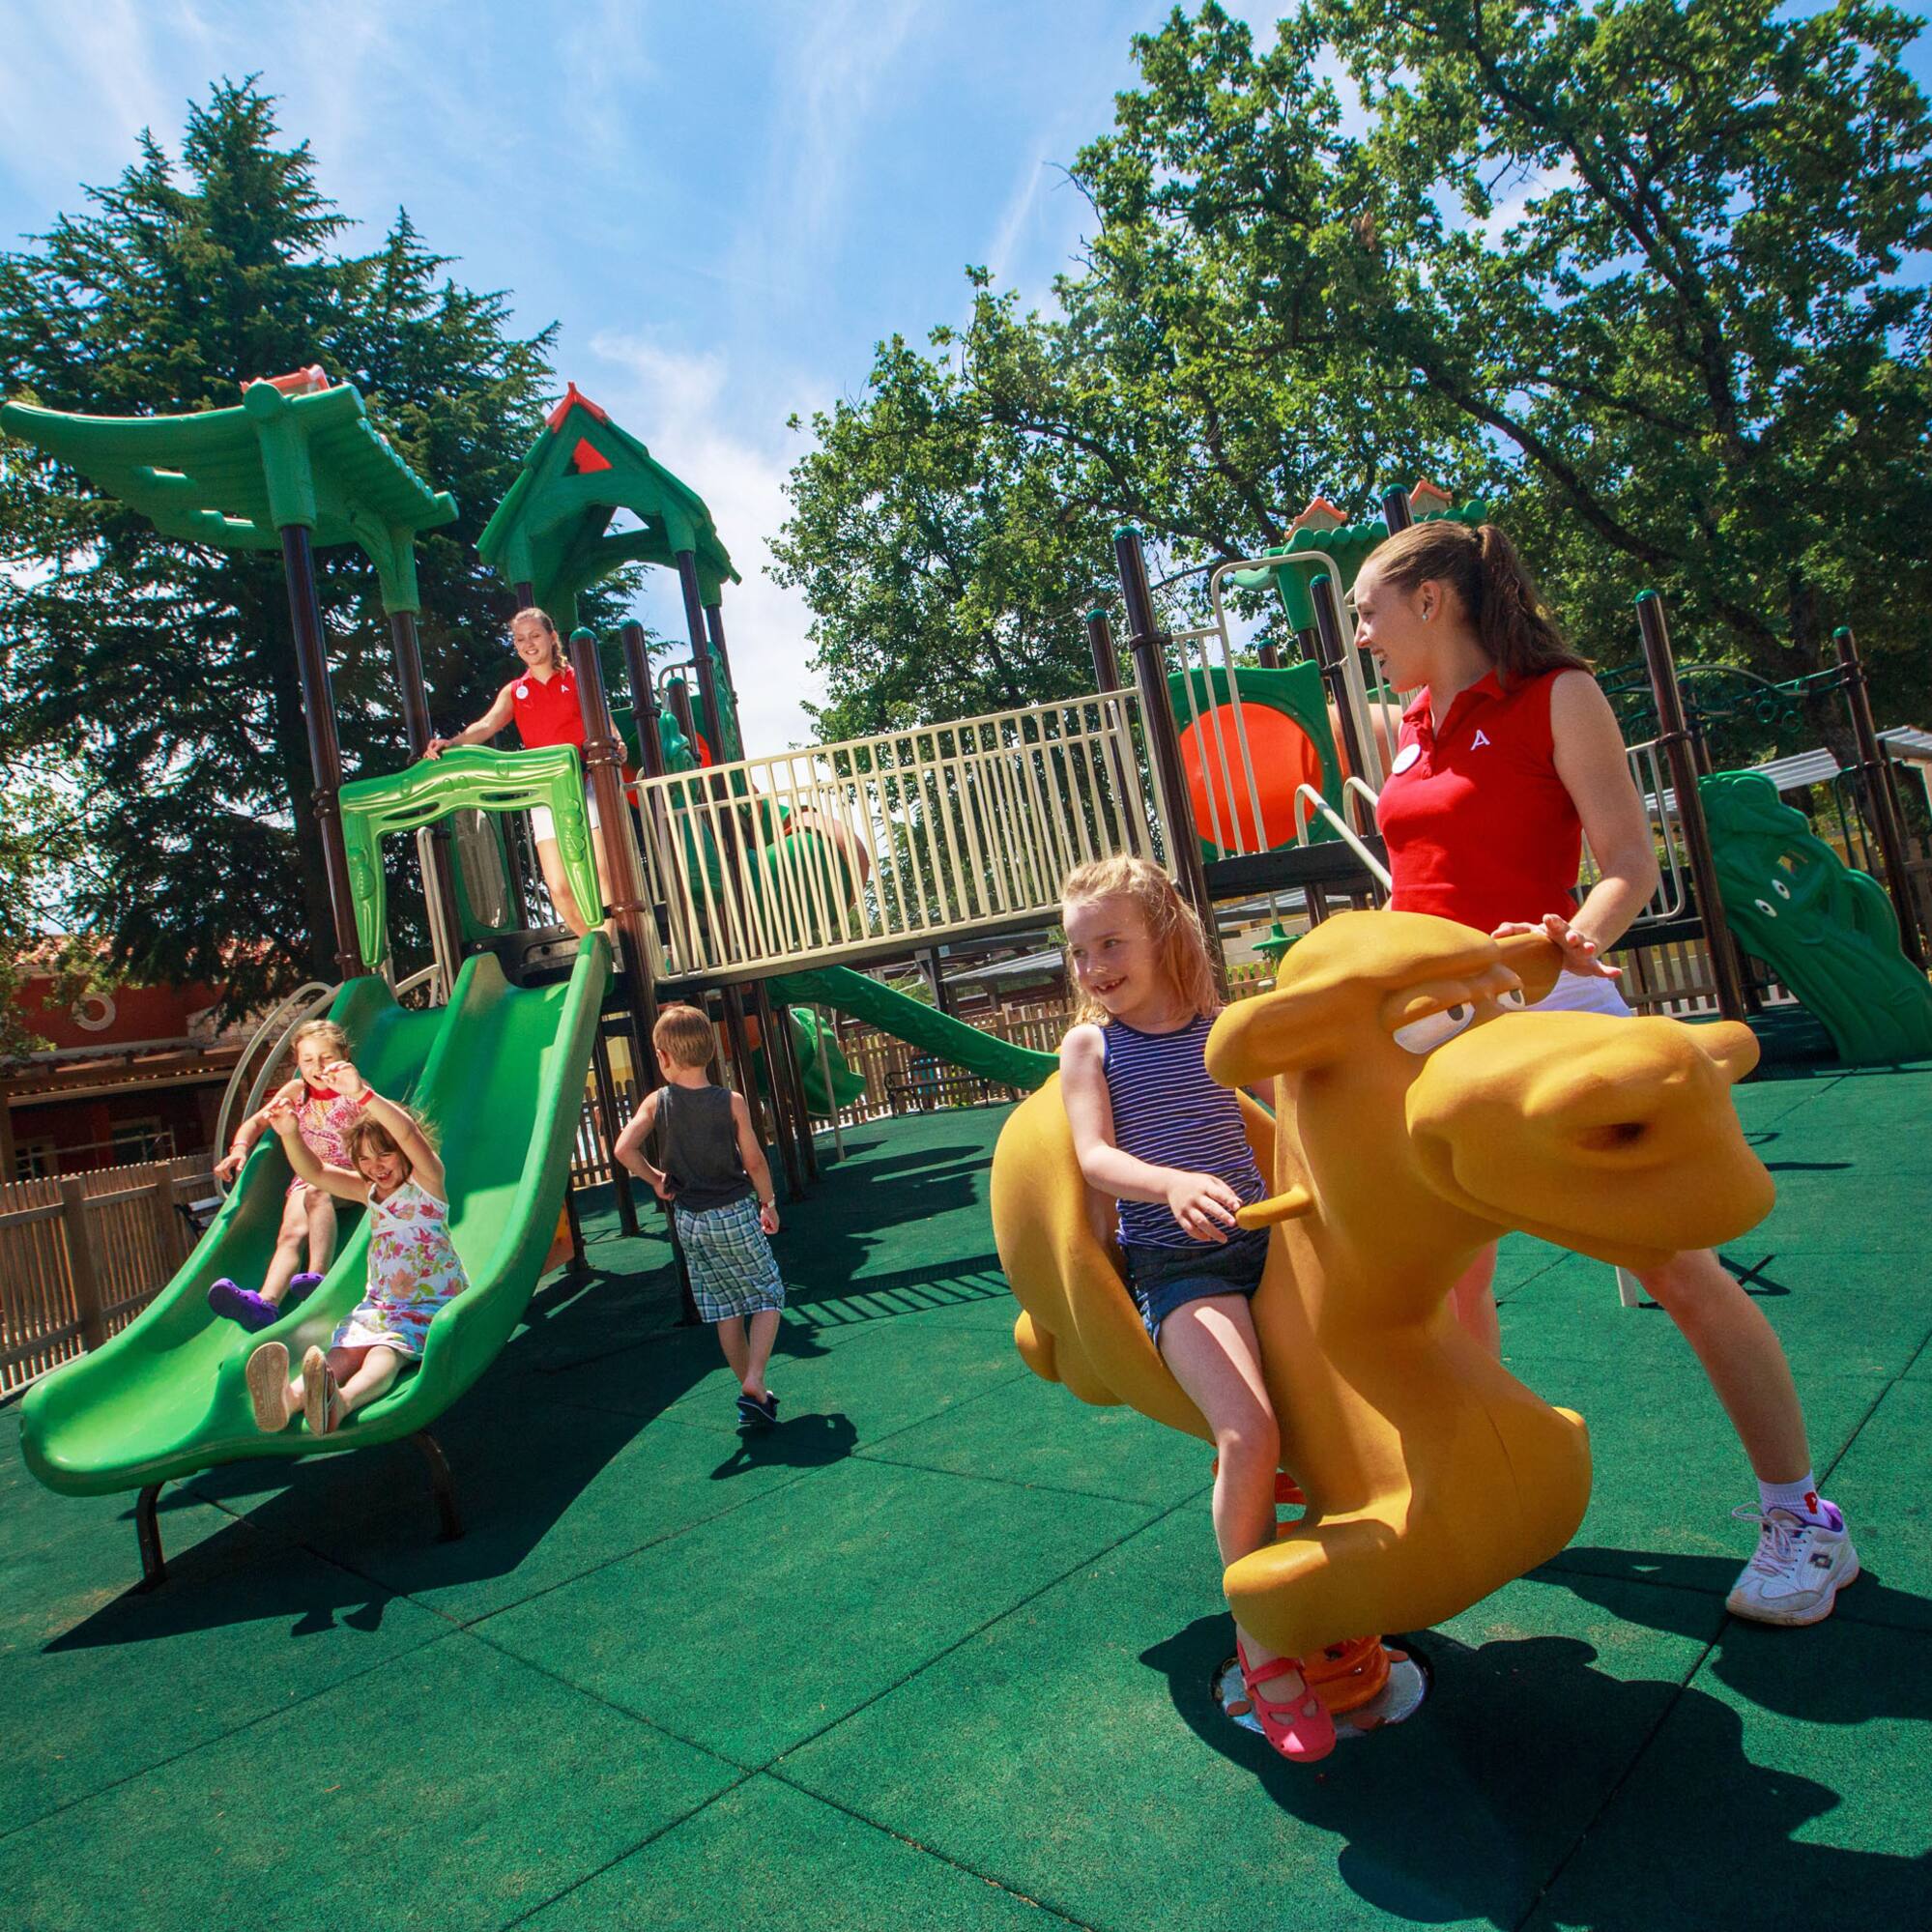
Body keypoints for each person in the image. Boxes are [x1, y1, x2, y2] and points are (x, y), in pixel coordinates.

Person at [1356, 516, 1857, 1628]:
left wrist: (1578, 936)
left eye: (1368, 612)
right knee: (1450, 1281)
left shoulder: (1558, 694)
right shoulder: (1406, 724)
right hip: (1435, 1029)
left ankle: (1804, 1523)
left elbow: (1625, 862)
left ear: (1431, 599)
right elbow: (1417, 886)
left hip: (1548, 1005)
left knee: (1677, 1264)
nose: (1362, 636)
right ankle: (1482, 1482)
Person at [1057, 854, 1335, 1762]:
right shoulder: (1092, 1047)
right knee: (1248, 1431)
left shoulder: (1223, 1030)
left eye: (1111, 942)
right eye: (1079, 949)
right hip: (1179, 1264)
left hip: (1268, 1244)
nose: (1095, 965)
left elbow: (1289, 1112)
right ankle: (1262, 1647)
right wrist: (1170, 1181)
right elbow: (1094, 1157)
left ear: (1163, 934)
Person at [242, 1059, 469, 1438]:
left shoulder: (428, 1185)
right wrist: (289, 1134)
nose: (374, 1166)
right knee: (343, 1351)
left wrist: (362, 1095)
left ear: (402, 1154)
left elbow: (410, 1135)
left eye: (384, 1154)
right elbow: (315, 1173)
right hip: (380, 1305)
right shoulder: (369, 1194)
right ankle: (288, 1400)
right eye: (364, 1158)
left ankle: (341, 1403)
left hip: (427, 1305)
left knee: (385, 1354)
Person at [614, 1004, 787, 1428]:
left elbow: (622, 1149)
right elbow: (755, 1161)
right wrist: (768, 1203)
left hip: (690, 1221)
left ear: (664, 1057)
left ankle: (756, 1397)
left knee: (726, 1309)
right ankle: (756, 1378)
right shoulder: (731, 1102)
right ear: (710, 1050)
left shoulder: (657, 1102)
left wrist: (655, 1179)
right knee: (767, 1295)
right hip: (733, 1213)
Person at [423, 606, 622, 937]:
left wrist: (614, 739)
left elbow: (605, 721)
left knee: (601, 871)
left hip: (584, 780)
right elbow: (485, 725)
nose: (528, 644)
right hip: (544, 791)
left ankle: (615, 942)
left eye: (535, 636)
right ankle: (597, 948)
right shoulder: (516, 691)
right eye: (520, 639)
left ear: (552, 637)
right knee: (558, 887)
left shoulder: (575, 678)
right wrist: (452, 743)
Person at [206, 1019, 358, 1331]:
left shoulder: (353, 1087)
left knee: (319, 1191)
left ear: (344, 1055)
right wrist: (239, 1149)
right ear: (297, 1063)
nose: (318, 1067)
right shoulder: (298, 1091)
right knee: (289, 1234)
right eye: (308, 1060)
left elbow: (380, 1124)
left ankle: (318, 1279)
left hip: (348, 1175)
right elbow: (256, 1123)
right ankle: (265, 1303)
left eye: (327, 1057)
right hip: (307, 1175)